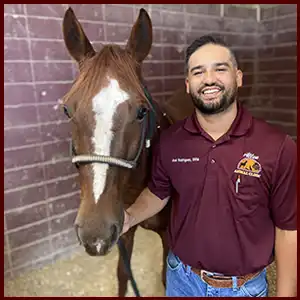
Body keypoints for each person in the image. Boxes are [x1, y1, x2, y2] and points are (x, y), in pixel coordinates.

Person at [122, 35, 297, 297]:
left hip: (243, 289)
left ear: (238, 77)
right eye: (198, 71)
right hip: (181, 279)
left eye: (220, 69)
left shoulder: (278, 146)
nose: (209, 79)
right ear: (188, 84)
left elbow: (288, 230)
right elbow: (159, 191)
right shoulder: (170, 140)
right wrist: (129, 217)